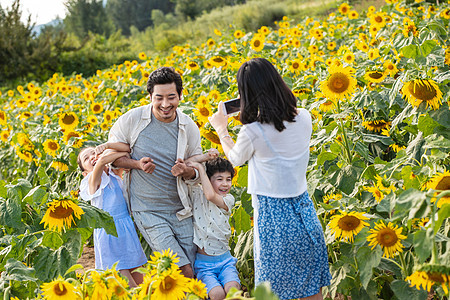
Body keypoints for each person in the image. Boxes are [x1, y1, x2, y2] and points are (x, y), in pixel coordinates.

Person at [209, 57, 332, 300]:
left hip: (274, 220)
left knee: (276, 293)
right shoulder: (305, 116)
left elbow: (234, 159)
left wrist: (221, 129)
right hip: (305, 213)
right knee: (312, 290)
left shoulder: (253, 131)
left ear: (247, 94)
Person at [107, 66, 202, 278]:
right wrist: (136, 164)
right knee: (182, 269)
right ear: (150, 96)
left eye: (171, 97)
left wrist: (186, 170)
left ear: (180, 96)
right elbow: (113, 156)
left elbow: (197, 170)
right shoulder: (131, 120)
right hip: (147, 209)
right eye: (159, 98)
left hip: (181, 209)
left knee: (193, 270)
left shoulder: (188, 126)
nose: (165, 104)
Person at [78, 142, 147, 287]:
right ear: (85, 172)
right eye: (86, 158)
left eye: (93, 153)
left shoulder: (114, 175)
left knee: (142, 280)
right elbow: (104, 160)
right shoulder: (91, 181)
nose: (92, 157)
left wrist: (114, 153)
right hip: (109, 234)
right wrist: (105, 155)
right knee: (127, 284)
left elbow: (128, 150)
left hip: (126, 230)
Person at [185, 154, 241, 300]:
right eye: (219, 179)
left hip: (225, 260)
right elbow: (187, 164)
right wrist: (204, 158)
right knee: (217, 294)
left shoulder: (228, 199)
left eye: (228, 179)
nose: (225, 184)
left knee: (233, 290)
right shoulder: (197, 193)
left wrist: (201, 170)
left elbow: (210, 196)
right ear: (208, 180)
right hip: (204, 264)